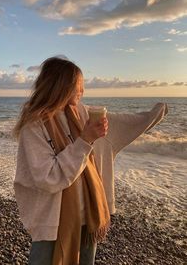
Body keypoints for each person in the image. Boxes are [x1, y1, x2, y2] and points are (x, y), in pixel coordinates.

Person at [13, 56, 168, 265]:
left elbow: (125, 124)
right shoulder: (34, 126)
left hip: (88, 215)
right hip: (52, 222)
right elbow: (48, 177)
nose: (82, 92)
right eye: (78, 87)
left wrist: (154, 115)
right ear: (62, 87)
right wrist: (85, 140)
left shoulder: (83, 114)